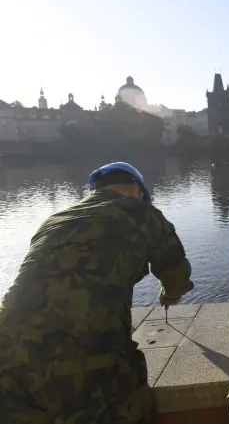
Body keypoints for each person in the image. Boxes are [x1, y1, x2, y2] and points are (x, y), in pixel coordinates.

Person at [0, 162, 194, 424]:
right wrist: (170, 295)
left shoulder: (55, 219)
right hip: (88, 358)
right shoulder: (142, 213)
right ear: (136, 190)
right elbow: (177, 275)